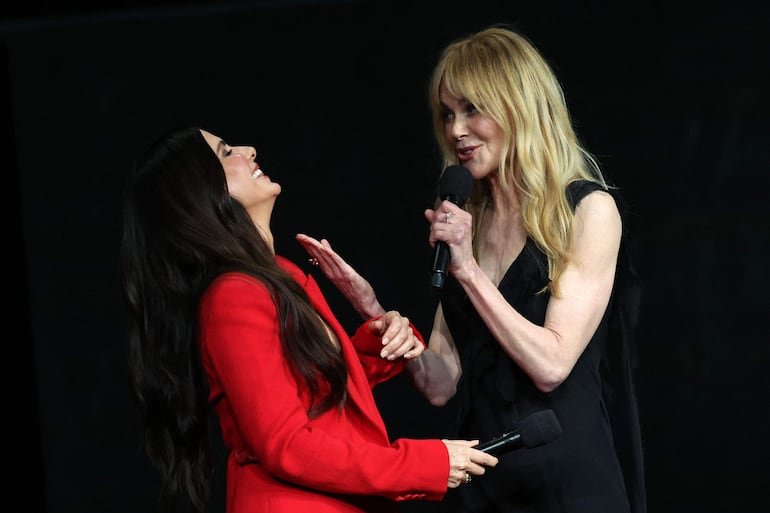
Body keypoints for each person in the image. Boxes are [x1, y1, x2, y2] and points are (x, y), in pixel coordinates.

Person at [298, 25, 646, 513]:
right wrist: (373, 309)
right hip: (483, 482)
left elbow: (551, 365)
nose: (455, 130)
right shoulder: (468, 219)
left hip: (566, 484)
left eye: (472, 109)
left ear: (518, 105)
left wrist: (467, 269)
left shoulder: (587, 210)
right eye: (446, 114)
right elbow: (440, 384)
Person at [119, 126, 498, 513]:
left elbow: (307, 391)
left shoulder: (281, 273)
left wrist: (378, 343)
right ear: (199, 192)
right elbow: (288, 445)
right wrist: (424, 463)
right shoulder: (232, 296)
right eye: (226, 151)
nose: (249, 149)